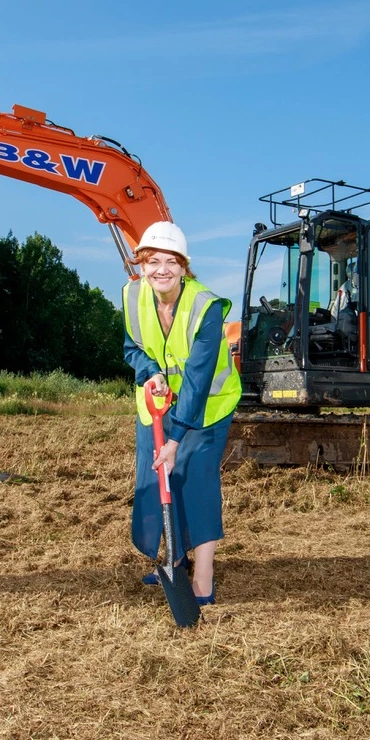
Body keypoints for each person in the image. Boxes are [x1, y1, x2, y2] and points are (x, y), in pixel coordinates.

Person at [122, 221, 242, 605]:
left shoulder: (205, 306)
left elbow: (198, 376)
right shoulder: (133, 296)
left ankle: (203, 579)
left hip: (207, 406)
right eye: (153, 261)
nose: (162, 269)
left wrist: (175, 440)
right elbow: (133, 348)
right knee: (160, 480)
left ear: (184, 267)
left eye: (171, 262)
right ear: (141, 265)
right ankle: (174, 562)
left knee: (196, 481)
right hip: (157, 404)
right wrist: (151, 372)